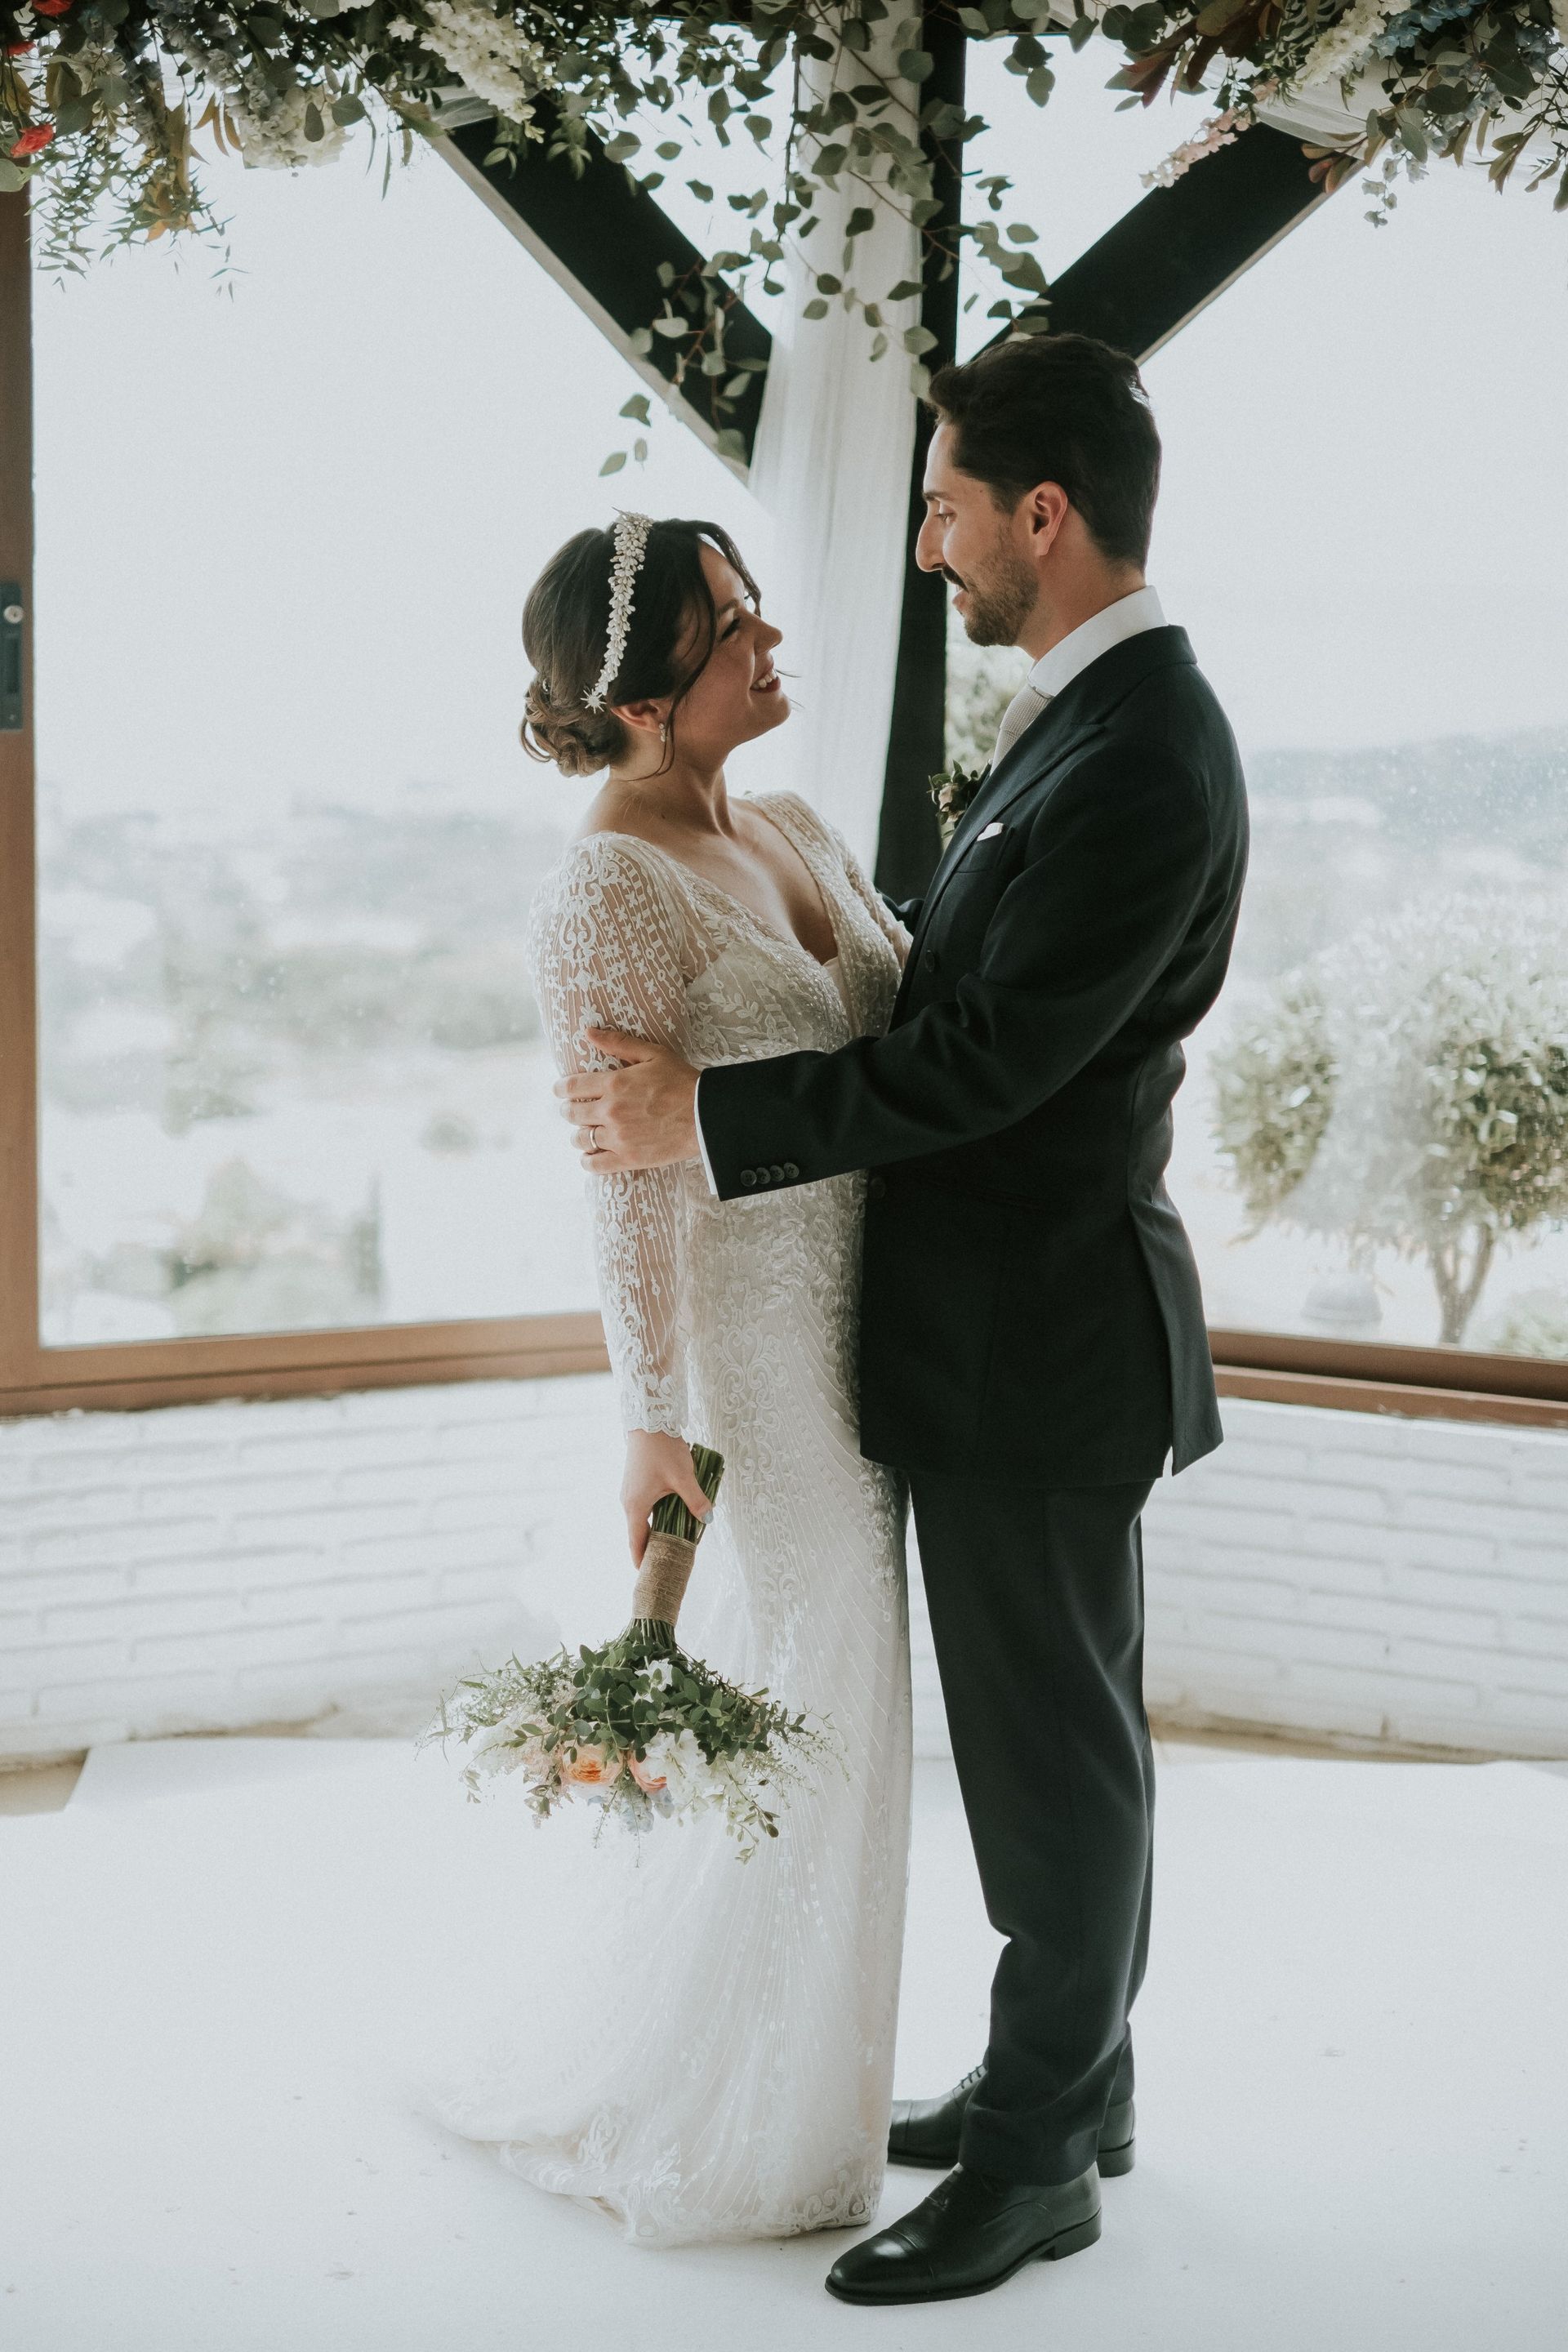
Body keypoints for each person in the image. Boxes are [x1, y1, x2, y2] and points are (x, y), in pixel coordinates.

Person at [558, 333, 1250, 2305]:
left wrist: (707, 1112)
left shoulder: (1143, 753)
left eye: (942, 508)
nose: (930, 546)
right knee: (1071, 1732)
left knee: (1053, 1763)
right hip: (1001, 1330)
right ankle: (1077, 2081)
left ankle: (1039, 2161)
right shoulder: (1086, 718)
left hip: (1043, 1334)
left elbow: (988, 1066)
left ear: (1042, 512)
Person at [446, 513, 913, 2247]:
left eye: (755, 606)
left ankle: (827, 2079)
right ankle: (735, 2109)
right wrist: (650, 1412)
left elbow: (911, 1029)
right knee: (807, 1685)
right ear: (641, 696)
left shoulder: (789, 823)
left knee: (863, 1695)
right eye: (730, 625)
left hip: (878, 1335)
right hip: (754, 1363)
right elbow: (624, 1176)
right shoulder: (604, 891)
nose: (768, 637)